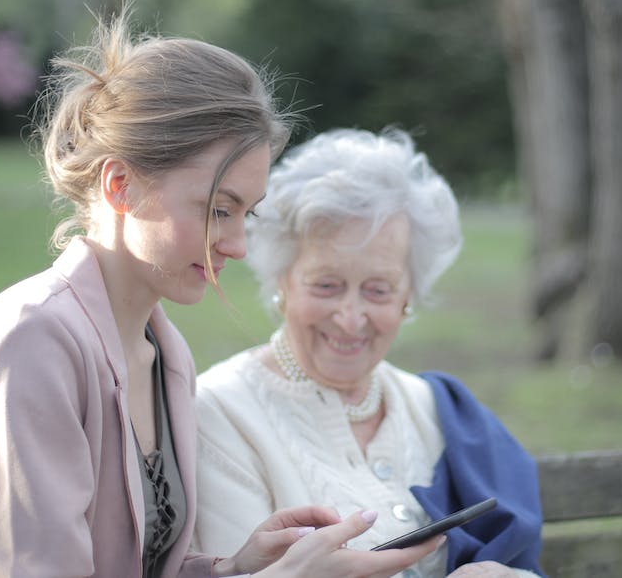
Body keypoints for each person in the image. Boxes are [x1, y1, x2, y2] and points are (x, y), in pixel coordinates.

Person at [0, 10, 441, 578]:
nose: (236, 244)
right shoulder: (29, 343)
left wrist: (233, 568)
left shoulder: (166, 353)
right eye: (217, 210)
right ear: (121, 185)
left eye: (245, 214)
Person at [193, 128, 545, 577]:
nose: (350, 317)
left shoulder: (437, 409)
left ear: (408, 296)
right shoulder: (221, 415)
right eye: (327, 285)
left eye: (378, 290)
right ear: (282, 281)